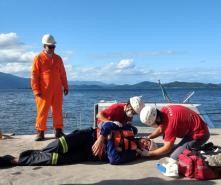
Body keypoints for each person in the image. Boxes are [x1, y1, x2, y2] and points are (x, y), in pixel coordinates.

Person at [0, 122, 157, 167]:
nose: (145, 143)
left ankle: (14, 161)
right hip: (87, 136)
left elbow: (114, 159)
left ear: (144, 151)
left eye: (147, 146)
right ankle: (29, 155)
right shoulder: (131, 129)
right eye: (148, 141)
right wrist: (103, 137)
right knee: (58, 145)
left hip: (88, 154)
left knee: (55, 159)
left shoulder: (131, 154)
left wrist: (109, 140)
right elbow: (108, 125)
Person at [31, 34, 69, 141]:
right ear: (44, 46)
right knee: (42, 111)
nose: (52, 48)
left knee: (58, 110)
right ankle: (40, 132)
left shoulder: (58, 58)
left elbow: (63, 74)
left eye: (53, 46)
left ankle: (58, 131)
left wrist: (65, 86)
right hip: (43, 90)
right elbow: (34, 75)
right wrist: (36, 89)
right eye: (50, 46)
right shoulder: (38, 58)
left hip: (57, 89)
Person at [137, 105, 210, 160]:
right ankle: (193, 147)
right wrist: (148, 137)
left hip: (200, 135)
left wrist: (149, 153)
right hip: (194, 129)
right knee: (173, 149)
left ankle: (197, 151)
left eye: (152, 124)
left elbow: (167, 148)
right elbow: (160, 129)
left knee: (173, 156)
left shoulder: (170, 125)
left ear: (156, 120)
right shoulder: (164, 110)